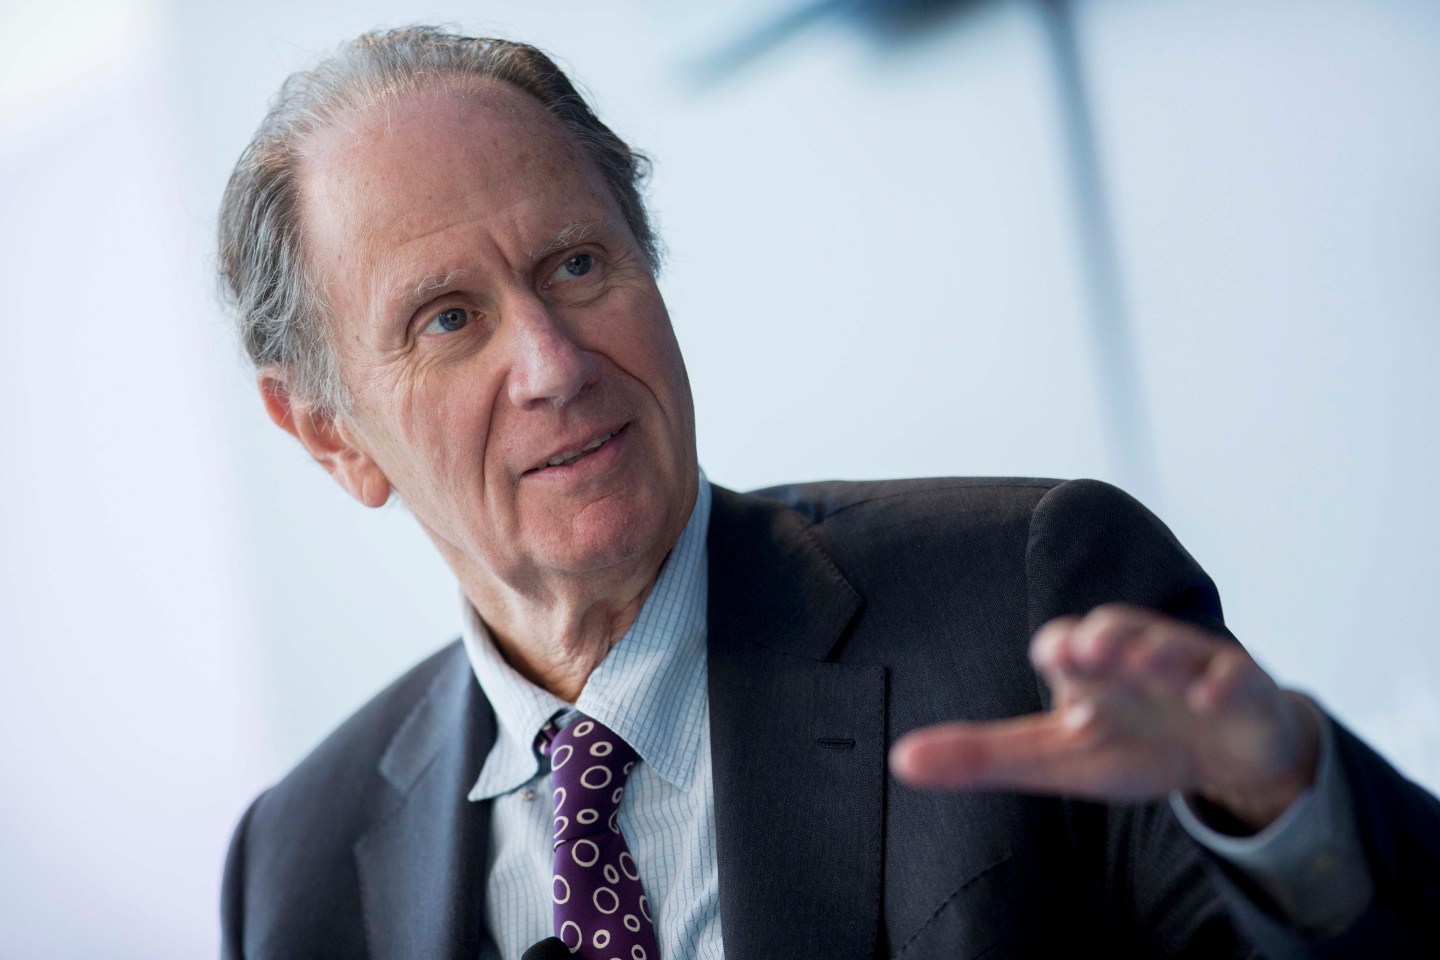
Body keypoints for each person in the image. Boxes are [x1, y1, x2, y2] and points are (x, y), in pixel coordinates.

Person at [216, 27, 1438, 960]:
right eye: (448, 320)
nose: (551, 364)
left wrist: (1287, 814)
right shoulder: (294, 865)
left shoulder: (1028, 597)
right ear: (329, 434)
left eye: (577, 264)